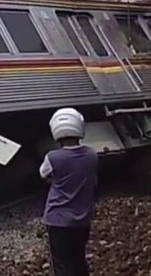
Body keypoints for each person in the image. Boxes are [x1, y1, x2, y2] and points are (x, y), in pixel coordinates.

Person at [39, 108, 98, 276]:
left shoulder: (52, 157)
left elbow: (43, 175)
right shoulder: (92, 154)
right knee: (79, 259)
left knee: (62, 264)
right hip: (82, 220)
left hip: (57, 220)